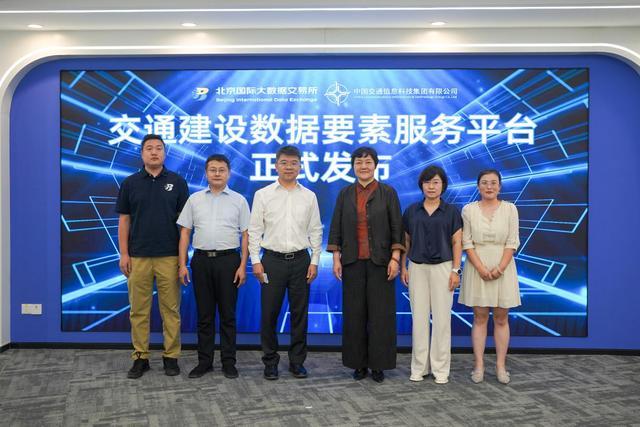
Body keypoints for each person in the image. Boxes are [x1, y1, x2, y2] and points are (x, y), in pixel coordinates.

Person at [327, 147, 404, 383]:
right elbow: (336, 226)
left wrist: (395, 258)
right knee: (355, 315)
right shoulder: (345, 194)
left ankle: (378, 365)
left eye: (368, 162)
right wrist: (336, 258)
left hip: (381, 262)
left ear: (375, 165)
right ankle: (358, 364)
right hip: (352, 262)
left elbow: (397, 227)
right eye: (359, 163)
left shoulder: (387, 192)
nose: (363, 166)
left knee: (381, 315)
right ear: (353, 167)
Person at [116, 134, 189, 379]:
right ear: (142, 154)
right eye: (149, 148)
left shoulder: (177, 182)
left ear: (165, 153)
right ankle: (141, 357)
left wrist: (182, 260)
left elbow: (185, 226)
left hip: (169, 256)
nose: (154, 152)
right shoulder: (130, 183)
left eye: (159, 148)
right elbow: (124, 220)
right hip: (138, 257)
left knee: (171, 310)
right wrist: (124, 253)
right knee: (138, 310)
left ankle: (171, 357)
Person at [248, 145, 323, 381]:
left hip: (301, 261)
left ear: (300, 166)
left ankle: (297, 362)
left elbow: (316, 230)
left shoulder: (309, 196)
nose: (288, 167)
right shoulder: (263, 195)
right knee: (269, 314)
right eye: (284, 163)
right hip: (271, 262)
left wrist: (315, 261)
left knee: (299, 314)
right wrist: (255, 261)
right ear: (276, 166)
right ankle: (270, 361)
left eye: (293, 163)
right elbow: (254, 230)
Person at [176, 154, 250, 380]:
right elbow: (185, 233)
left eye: (221, 170)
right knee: (205, 315)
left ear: (229, 173)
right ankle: (204, 362)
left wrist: (243, 265)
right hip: (201, 261)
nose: (217, 174)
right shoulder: (194, 199)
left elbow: (246, 235)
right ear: (206, 173)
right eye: (212, 170)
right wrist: (182, 264)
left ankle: (229, 362)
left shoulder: (239, 200)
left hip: (229, 261)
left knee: (228, 315)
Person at [400, 165, 462, 385]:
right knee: (419, 319)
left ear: (443, 185)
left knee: (442, 321)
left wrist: (456, 270)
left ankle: (440, 369)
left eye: (436, 182)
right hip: (417, 268)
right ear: (421, 185)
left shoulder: (452, 212)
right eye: (427, 182)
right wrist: (403, 266)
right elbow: (406, 241)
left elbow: (457, 242)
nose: (431, 186)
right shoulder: (411, 211)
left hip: (444, 268)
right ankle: (419, 367)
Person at [458, 169, 520, 385]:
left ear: (500, 187)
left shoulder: (510, 209)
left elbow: (512, 241)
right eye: (484, 183)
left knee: (501, 318)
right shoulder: (468, 210)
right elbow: (466, 242)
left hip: (504, 266)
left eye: (493, 183)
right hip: (477, 267)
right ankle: (479, 365)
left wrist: (499, 268)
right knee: (480, 317)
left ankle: (501, 366)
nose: (489, 187)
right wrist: (481, 268)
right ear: (478, 186)